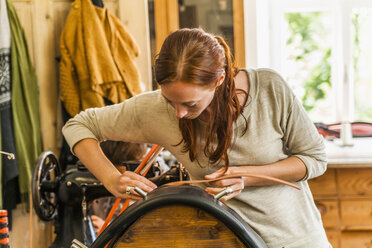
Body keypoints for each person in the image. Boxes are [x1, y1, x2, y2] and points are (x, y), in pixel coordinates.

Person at [62, 28, 330, 247]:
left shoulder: (270, 88)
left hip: (296, 240)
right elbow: (78, 126)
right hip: (223, 241)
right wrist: (110, 178)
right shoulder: (154, 110)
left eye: (190, 104)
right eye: (170, 100)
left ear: (219, 79)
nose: (179, 114)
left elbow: (315, 159)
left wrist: (245, 176)